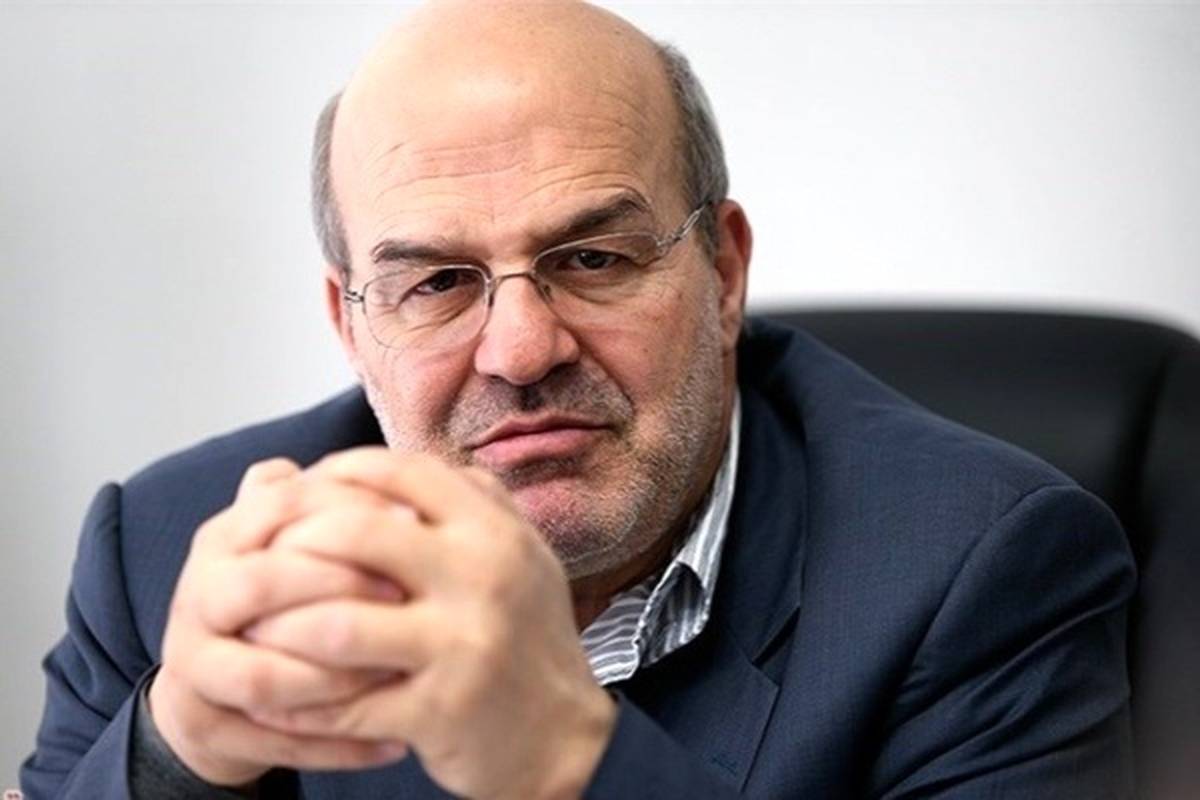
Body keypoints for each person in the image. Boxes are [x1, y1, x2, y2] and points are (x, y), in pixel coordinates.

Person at [22, 1, 1137, 798]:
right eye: (437, 282)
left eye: (594, 258)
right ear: (352, 325)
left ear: (723, 274)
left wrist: (563, 756)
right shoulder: (167, 553)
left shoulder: (979, 573)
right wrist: (174, 753)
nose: (519, 350)